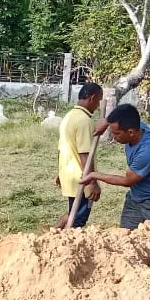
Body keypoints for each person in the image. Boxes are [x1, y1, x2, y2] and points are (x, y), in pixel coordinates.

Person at [81, 104, 150, 230]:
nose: (114, 138)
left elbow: (127, 181)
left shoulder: (147, 152)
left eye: (116, 134)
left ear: (131, 132)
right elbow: (125, 110)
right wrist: (106, 122)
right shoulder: (140, 127)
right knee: (126, 237)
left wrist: (94, 175)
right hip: (136, 198)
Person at [54, 83, 103, 228]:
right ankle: (62, 246)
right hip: (81, 179)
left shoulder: (69, 117)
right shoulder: (84, 121)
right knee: (78, 220)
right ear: (93, 98)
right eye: (99, 100)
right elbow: (85, 155)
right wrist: (92, 182)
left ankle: (52, 236)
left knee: (73, 213)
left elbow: (62, 149)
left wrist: (60, 172)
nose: (98, 105)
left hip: (69, 175)